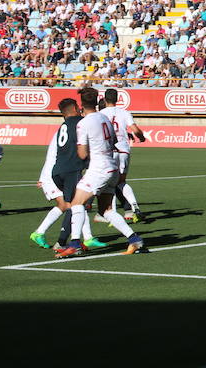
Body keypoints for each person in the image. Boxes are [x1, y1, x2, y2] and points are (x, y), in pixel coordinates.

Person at [55, 87, 145, 258]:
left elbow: (82, 154)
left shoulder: (83, 123)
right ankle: (135, 239)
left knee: (76, 203)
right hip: (112, 167)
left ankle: (74, 244)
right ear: (97, 101)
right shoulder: (105, 117)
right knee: (107, 210)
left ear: (81, 104)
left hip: (99, 168)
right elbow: (115, 141)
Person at [30, 98, 87, 249]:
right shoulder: (76, 125)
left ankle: (82, 237)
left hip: (54, 172)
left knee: (71, 204)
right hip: (58, 172)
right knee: (73, 204)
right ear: (75, 108)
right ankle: (62, 241)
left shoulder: (63, 127)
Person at [100, 88, 147, 222]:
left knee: (109, 183)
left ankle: (112, 215)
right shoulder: (124, 112)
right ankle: (135, 207)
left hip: (110, 151)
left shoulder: (101, 113)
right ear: (117, 99)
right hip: (124, 150)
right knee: (121, 182)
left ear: (104, 99)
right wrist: (142, 138)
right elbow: (135, 129)